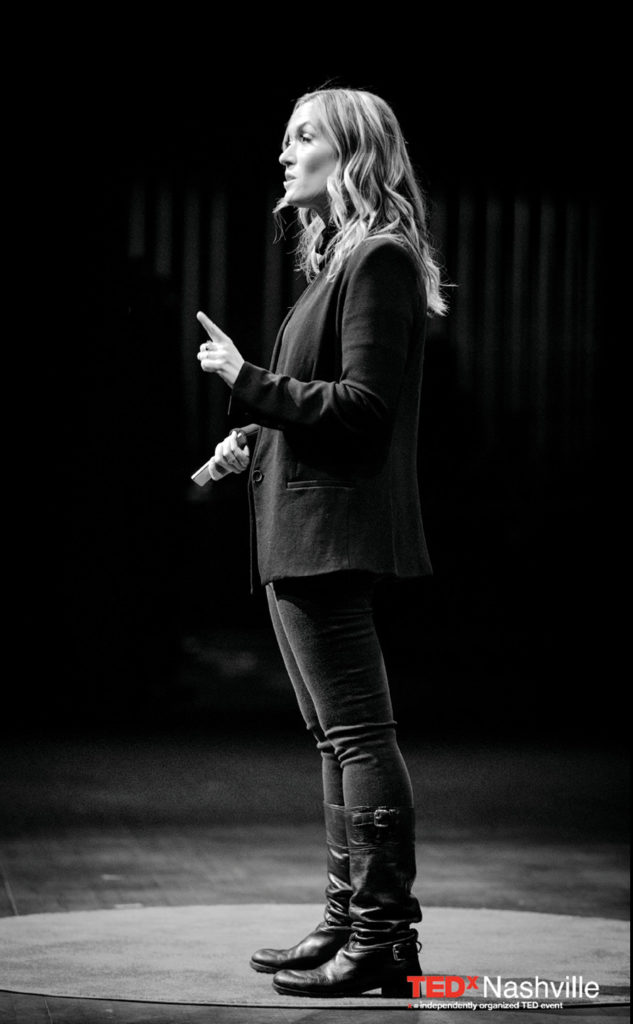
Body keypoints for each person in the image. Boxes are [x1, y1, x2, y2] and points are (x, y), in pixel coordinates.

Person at [196, 86, 446, 998]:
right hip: (300, 527)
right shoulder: (346, 260)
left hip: (328, 533)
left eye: (302, 137)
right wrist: (253, 433)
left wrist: (247, 380)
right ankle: (348, 921)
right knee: (335, 741)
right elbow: (324, 404)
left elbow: (363, 408)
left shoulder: (377, 258)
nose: (282, 153)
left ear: (353, 154)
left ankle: (382, 935)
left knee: (357, 736)